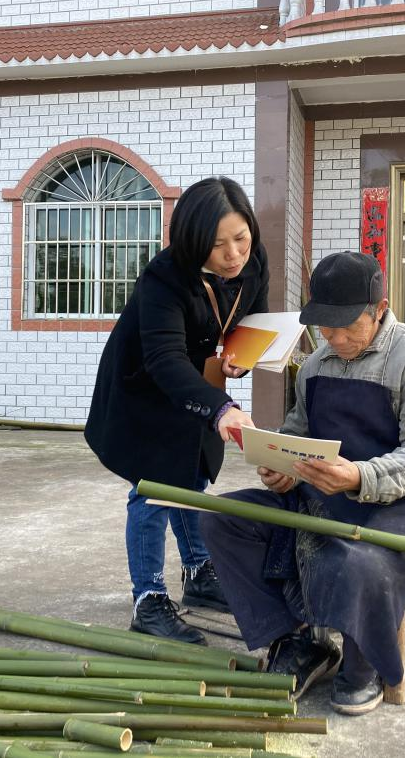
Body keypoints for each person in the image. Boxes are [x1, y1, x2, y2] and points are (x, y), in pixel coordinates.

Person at [201, 252, 405, 716]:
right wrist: (281, 466)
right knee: (224, 521)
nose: (335, 339)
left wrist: (359, 476)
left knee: (359, 559)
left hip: (403, 503)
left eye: (347, 327)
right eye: (325, 328)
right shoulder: (316, 365)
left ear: (379, 310)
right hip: (323, 493)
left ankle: (362, 664)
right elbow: (297, 434)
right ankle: (297, 640)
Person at [85, 177, 268, 645]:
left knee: (195, 474)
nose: (234, 254)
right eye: (218, 245)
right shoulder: (164, 277)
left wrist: (241, 358)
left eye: (241, 238)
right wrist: (221, 409)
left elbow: (253, 322)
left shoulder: (254, 261)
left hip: (200, 381)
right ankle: (148, 600)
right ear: (191, 241)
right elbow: (164, 358)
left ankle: (199, 573)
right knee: (154, 488)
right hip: (146, 384)